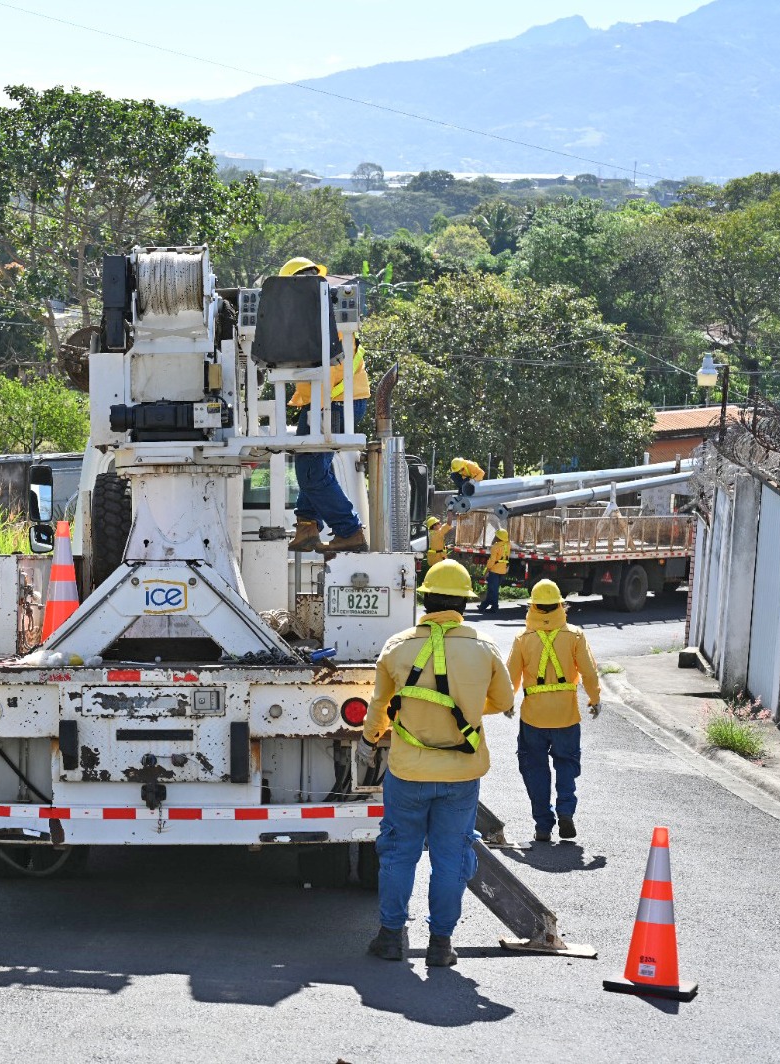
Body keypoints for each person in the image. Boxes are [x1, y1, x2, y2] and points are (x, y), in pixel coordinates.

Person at [359, 559, 515, 967]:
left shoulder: (398, 646)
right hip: (461, 775)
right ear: (463, 604)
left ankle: (391, 937)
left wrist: (369, 738)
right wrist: (465, 710)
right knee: (451, 859)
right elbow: (504, 701)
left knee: (397, 855)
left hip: (408, 770)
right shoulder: (483, 648)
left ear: (424, 598)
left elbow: (379, 706)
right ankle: (440, 946)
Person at [282, 256, 370, 553]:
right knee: (314, 466)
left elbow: (327, 368)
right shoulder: (318, 315)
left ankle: (349, 530)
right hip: (330, 402)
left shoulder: (326, 317)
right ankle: (306, 525)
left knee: (310, 471)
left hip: (333, 403)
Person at [506, 580, 601, 842]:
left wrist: (506, 703)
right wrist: (594, 699)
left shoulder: (523, 639)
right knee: (567, 764)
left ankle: (543, 825)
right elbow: (589, 673)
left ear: (533, 607)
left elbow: (510, 678)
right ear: (561, 605)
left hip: (533, 718)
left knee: (534, 769)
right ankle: (566, 810)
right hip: (566, 716)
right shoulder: (575, 635)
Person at [479, 529, 511, 613]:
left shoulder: (495, 547)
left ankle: (494, 607)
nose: (495, 537)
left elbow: (492, 561)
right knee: (492, 589)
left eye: (496, 536)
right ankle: (484, 605)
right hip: (503, 570)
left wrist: (486, 571)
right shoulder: (508, 545)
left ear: (498, 537)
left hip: (495, 570)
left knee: (493, 589)